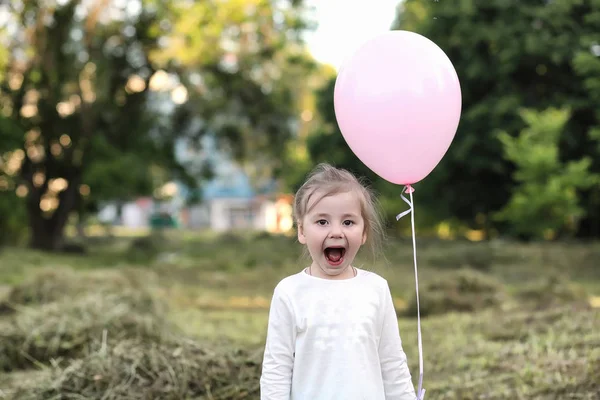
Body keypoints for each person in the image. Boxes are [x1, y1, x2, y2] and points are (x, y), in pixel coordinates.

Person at [260, 163, 416, 400]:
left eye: (348, 222)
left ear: (364, 233)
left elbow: (393, 364)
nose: (336, 232)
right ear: (302, 231)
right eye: (322, 222)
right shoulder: (289, 292)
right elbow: (276, 371)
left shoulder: (376, 289)